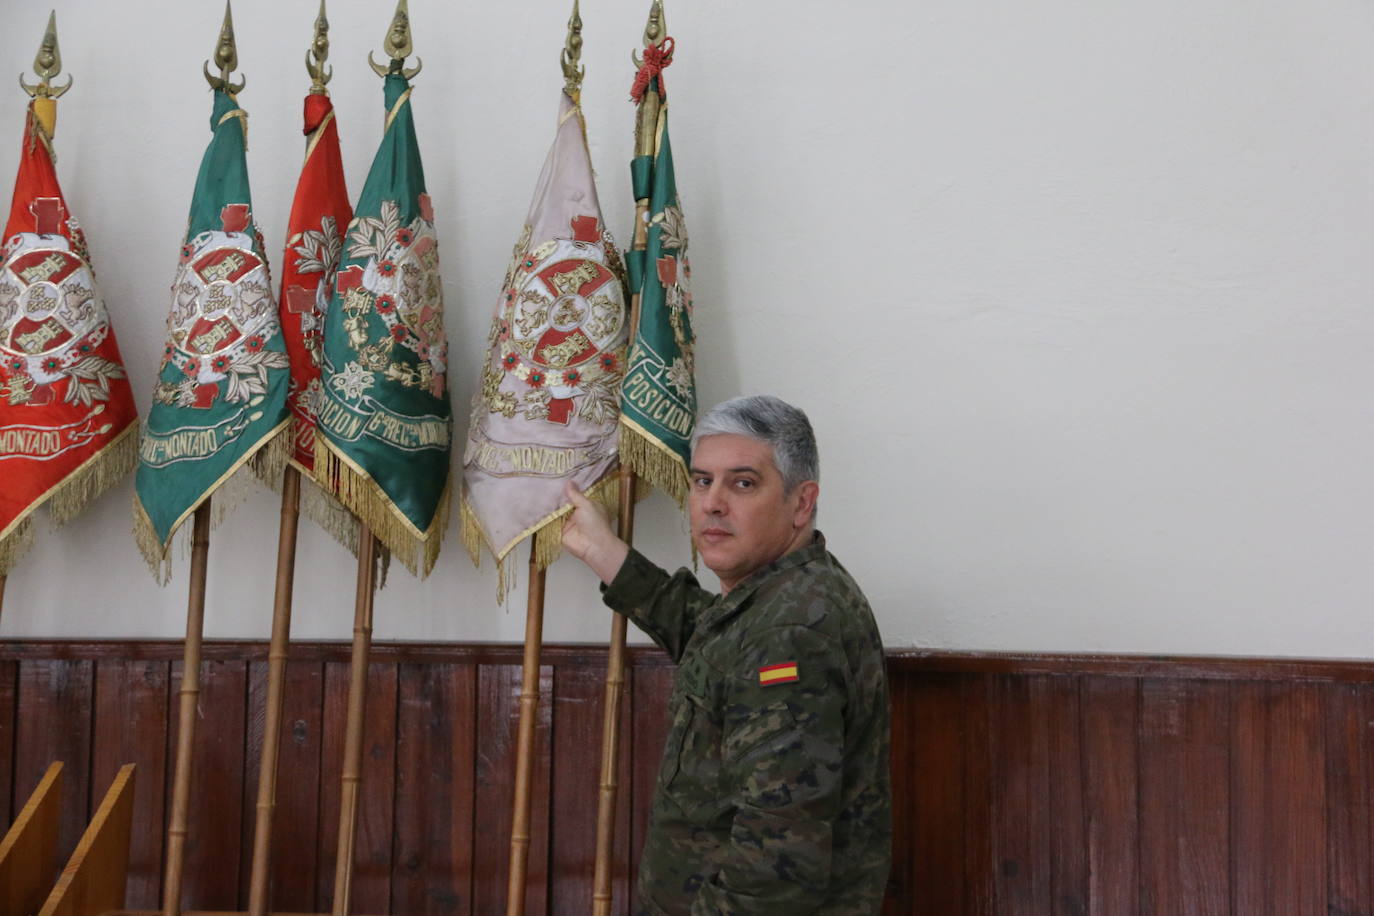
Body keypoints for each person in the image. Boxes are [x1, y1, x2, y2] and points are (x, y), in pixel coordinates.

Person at [563, 395, 891, 915]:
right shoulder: (782, 595)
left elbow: (775, 866)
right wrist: (603, 552)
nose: (713, 502)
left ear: (801, 503)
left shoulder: (790, 630)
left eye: (743, 483)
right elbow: (714, 640)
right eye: (702, 481)